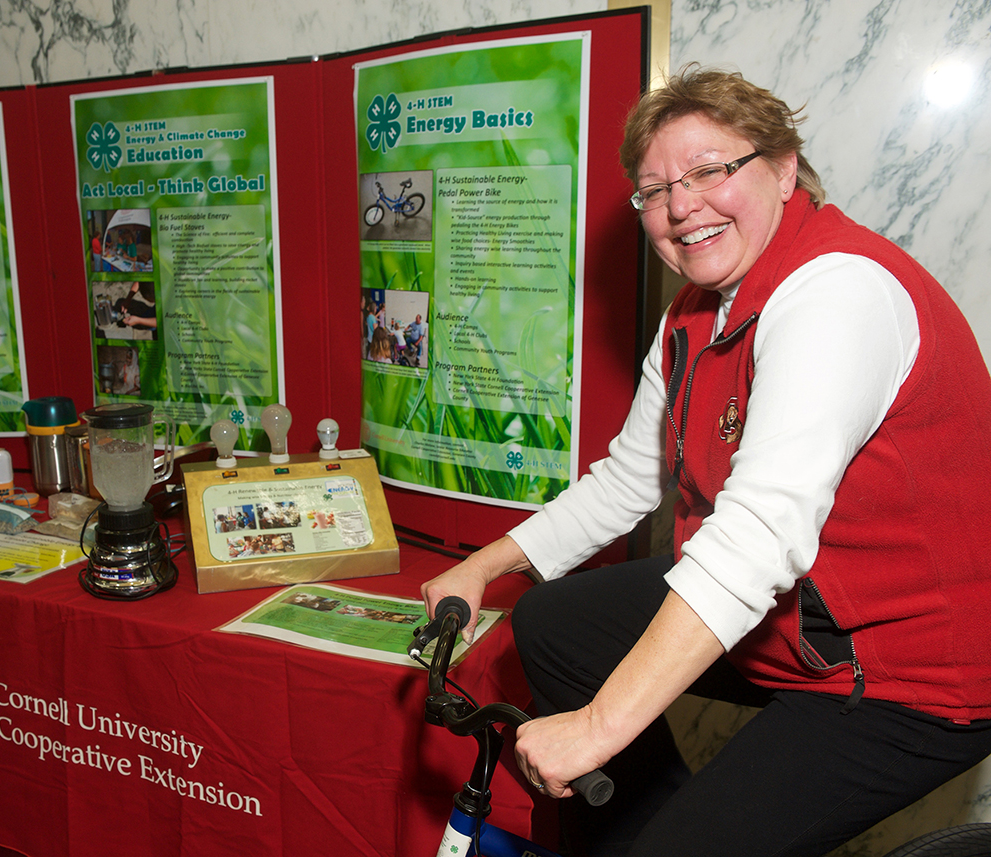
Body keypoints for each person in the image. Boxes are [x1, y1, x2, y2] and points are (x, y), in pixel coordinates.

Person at [420, 66, 991, 857]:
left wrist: (596, 727)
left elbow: (757, 536)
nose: (680, 205)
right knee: (550, 625)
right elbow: (627, 480)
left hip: (904, 674)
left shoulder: (837, 293)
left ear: (785, 168)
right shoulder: (694, 312)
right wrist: (485, 565)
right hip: (795, 619)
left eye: (710, 170)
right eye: (654, 190)